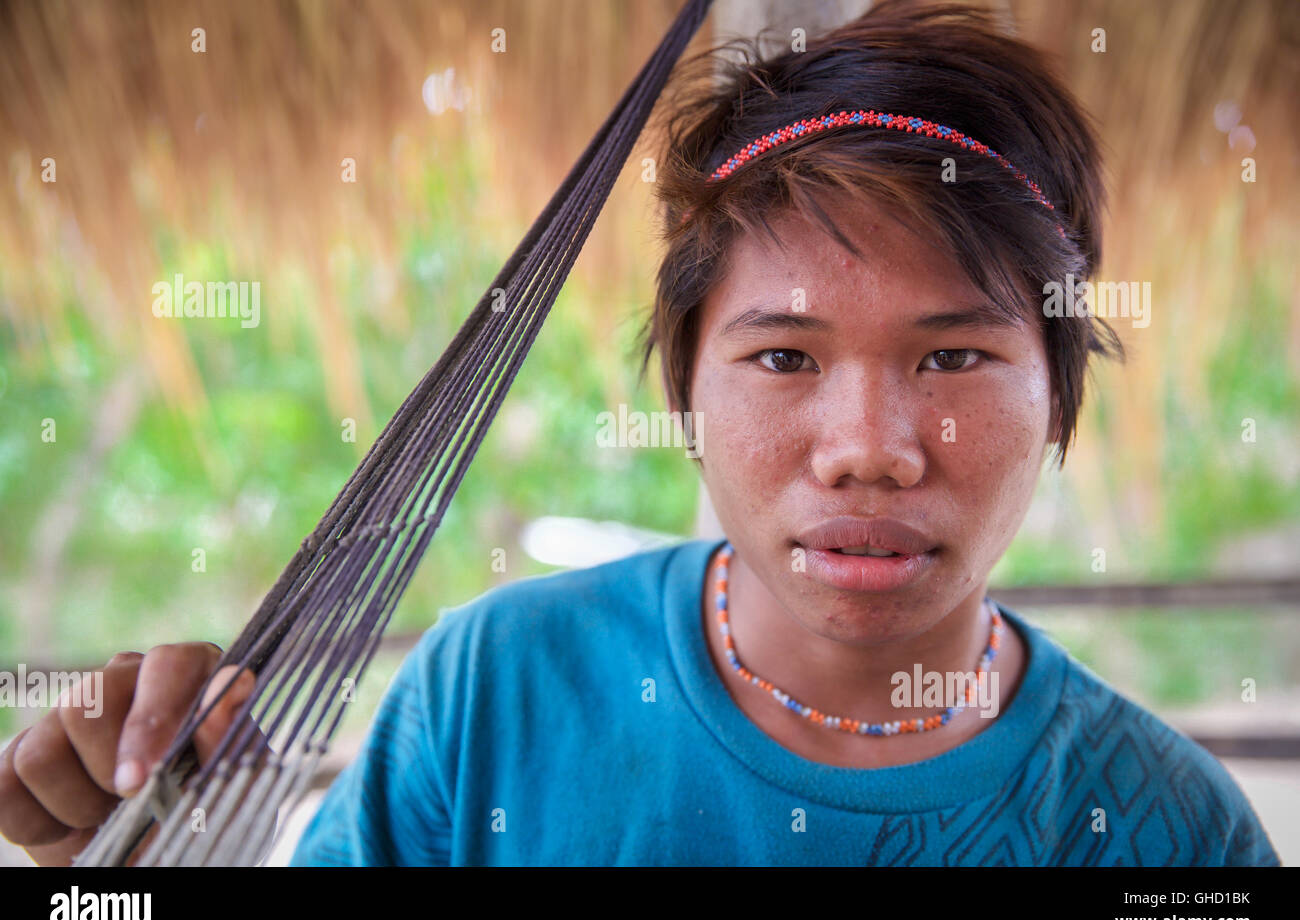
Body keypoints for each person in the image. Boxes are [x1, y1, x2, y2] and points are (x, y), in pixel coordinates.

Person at [0, 0, 1280, 866]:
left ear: (1056, 392)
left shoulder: (1169, 832)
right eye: (783, 356)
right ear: (686, 393)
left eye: (954, 355)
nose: (870, 446)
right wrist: (118, 880)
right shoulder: (490, 695)